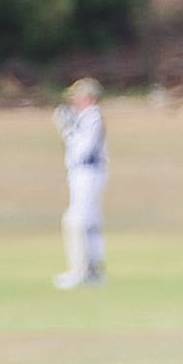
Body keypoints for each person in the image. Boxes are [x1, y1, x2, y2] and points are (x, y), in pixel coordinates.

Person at [53, 77, 108, 289]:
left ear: (89, 98)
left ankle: (80, 271)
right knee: (90, 222)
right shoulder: (86, 118)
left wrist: (67, 129)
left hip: (87, 173)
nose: (74, 101)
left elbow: (82, 149)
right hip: (85, 173)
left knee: (76, 221)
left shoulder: (92, 117)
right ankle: (93, 271)